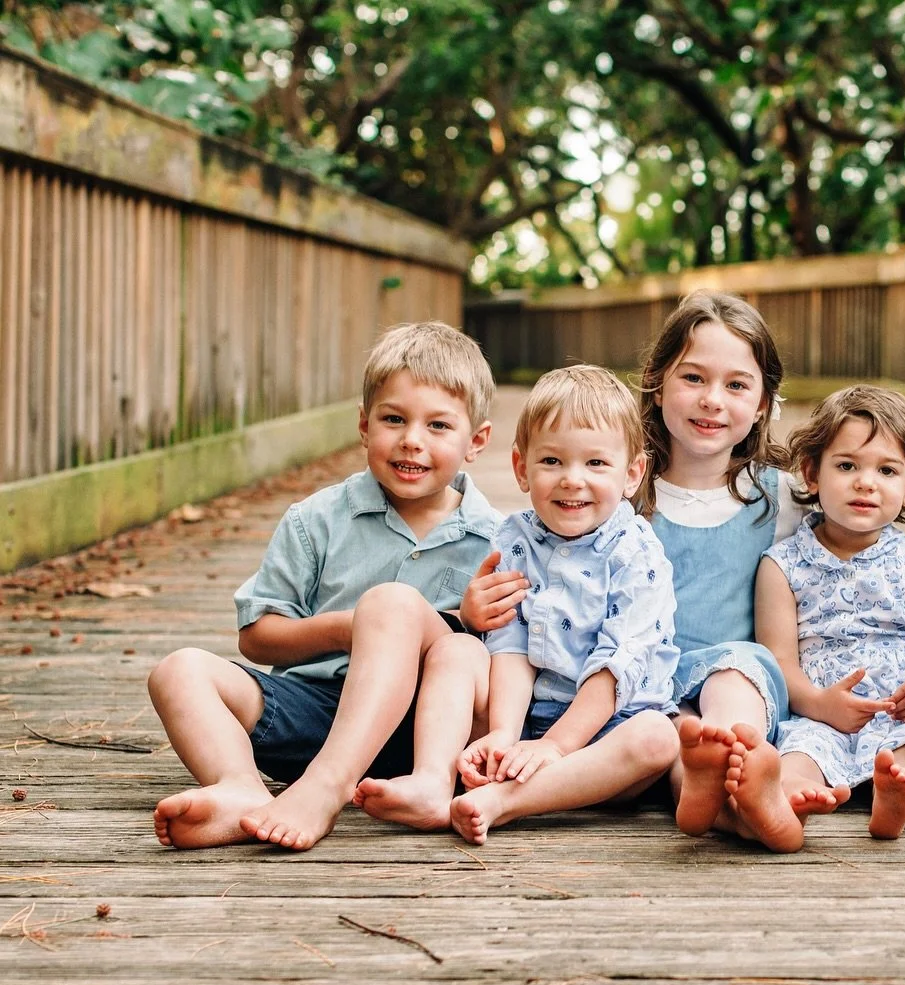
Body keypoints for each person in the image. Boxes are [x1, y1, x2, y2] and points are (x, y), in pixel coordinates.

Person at [148, 321, 504, 851]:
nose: (411, 439)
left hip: (426, 733)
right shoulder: (314, 520)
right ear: (364, 425)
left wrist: (472, 627)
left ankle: (326, 787)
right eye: (393, 419)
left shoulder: (500, 540)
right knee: (178, 671)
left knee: (393, 606)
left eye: (438, 426)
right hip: (314, 712)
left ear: (476, 441)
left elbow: (518, 662)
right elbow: (257, 636)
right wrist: (343, 630)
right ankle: (241, 789)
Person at [450, 365, 682, 844]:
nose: (572, 480)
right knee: (460, 663)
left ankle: (508, 801)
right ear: (521, 468)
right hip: (531, 712)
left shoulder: (635, 551)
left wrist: (556, 746)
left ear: (631, 473)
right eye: (552, 461)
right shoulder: (516, 538)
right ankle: (488, 770)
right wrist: (505, 733)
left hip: (610, 725)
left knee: (659, 737)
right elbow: (510, 642)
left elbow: (617, 663)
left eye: (596, 464)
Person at [632, 291, 812, 852]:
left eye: (736, 385)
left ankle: (747, 766)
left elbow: (850, 556)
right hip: (645, 684)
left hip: (736, 680)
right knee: (679, 741)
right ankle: (732, 807)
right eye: (693, 378)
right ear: (658, 382)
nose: (713, 400)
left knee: (729, 691)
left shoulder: (780, 498)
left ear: (762, 404)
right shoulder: (621, 488)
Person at [755, 386, 905, 846]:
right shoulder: (783, 565)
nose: (866, 482)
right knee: (800, 753)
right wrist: (820, 705)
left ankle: (896, 803)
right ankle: (794, 795)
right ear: (812, 474)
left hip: (900, 713)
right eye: (847, 466)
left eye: (887, 470)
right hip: (819, 707)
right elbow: (779, 663)